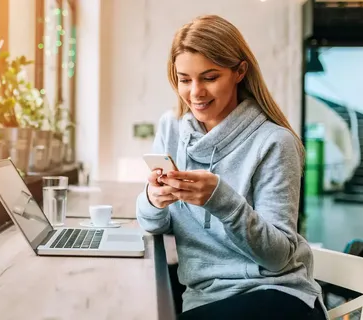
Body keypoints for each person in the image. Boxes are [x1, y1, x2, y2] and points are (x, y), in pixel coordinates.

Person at [135, 15, 328, 320]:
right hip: (204, 296)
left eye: (210, 77)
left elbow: (278, 258)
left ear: (239, 71)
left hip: (273, 294)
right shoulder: (171, 127)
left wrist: (221, 200)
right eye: (184, 79)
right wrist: (153, 200)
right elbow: (155, 224)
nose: (195, 92)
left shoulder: (275, 142)